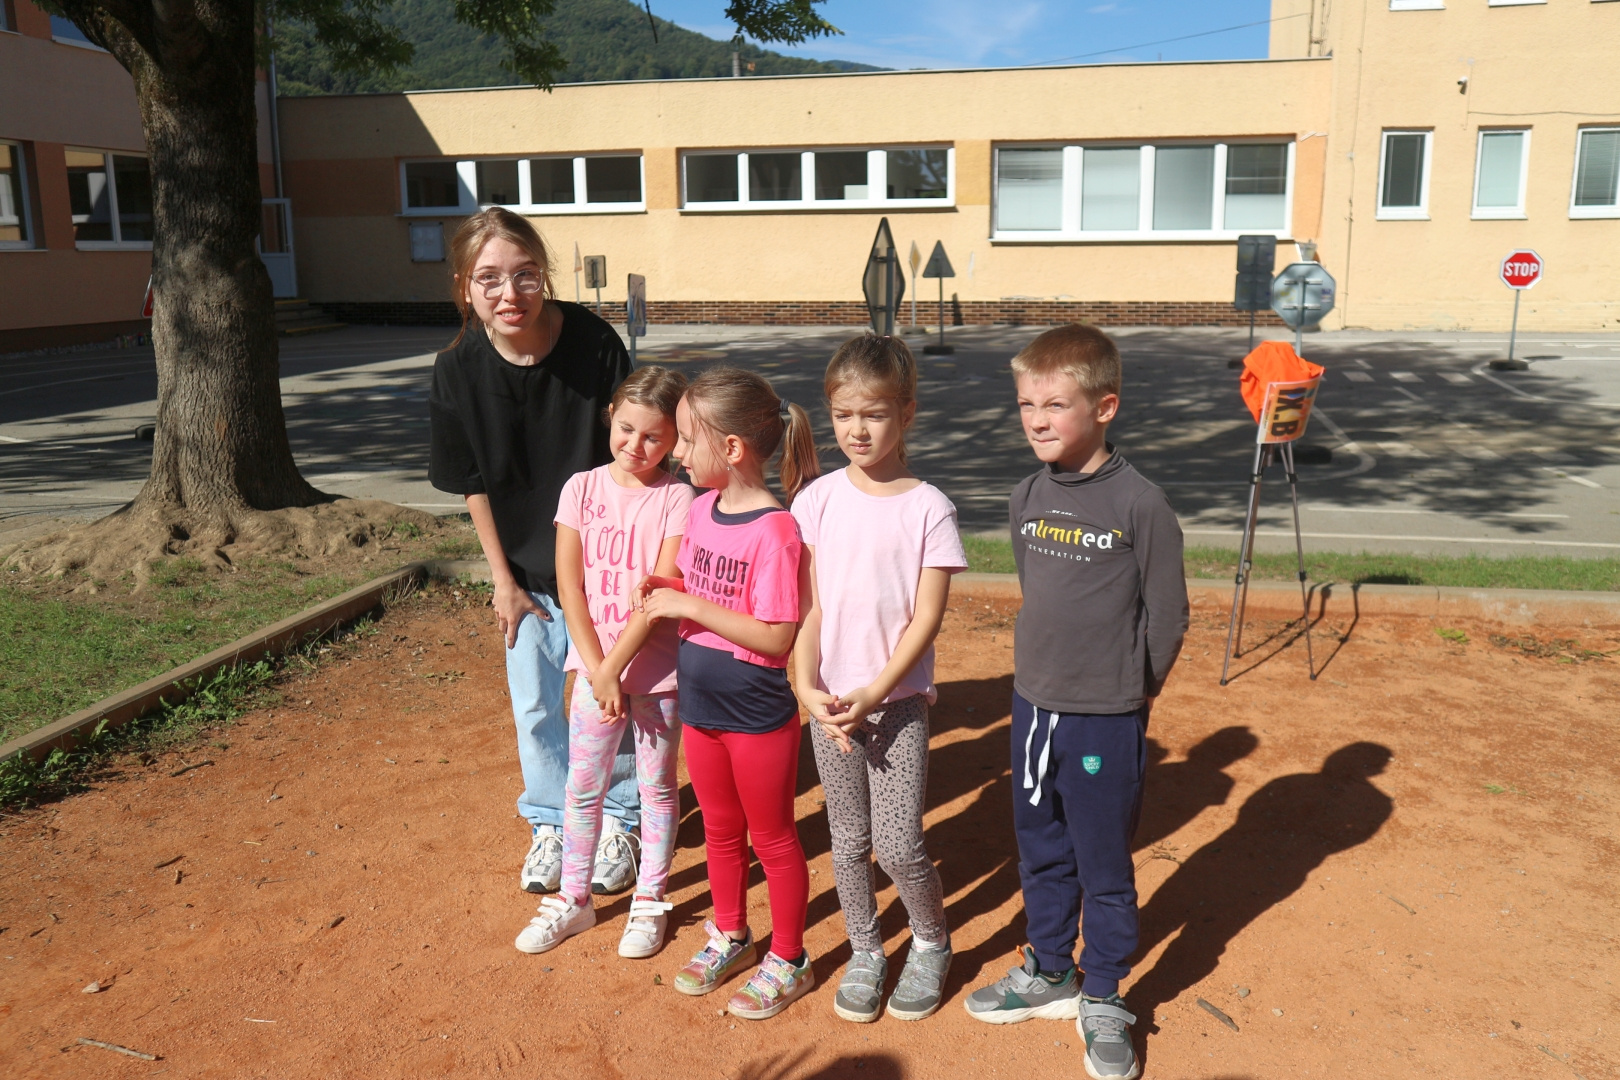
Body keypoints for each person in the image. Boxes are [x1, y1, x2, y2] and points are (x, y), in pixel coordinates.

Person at [964, 325, 1189, 1080]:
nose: (1037, 420)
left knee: (1102, 862)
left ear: (1105, 407)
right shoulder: (1027, 495)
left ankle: (1104, 993)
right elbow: (1036, 588)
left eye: (1055, 404)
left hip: (1106, 718)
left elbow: (1168, 615)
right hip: (1033, 709)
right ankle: (1052, 968)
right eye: (1027, 404)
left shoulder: (1140, 503)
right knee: (1040, 847)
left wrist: (1132, 689)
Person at [428, 208, 643, 899]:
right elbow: (471, 482)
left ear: (544, 274)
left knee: (610, 698)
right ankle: (551, 823)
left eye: (524, 275)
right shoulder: (456, 370)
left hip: (602, 567)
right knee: (537, 708)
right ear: (464, 287)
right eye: (488, 279)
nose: (509, 293)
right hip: (527, 574)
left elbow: (632, 451)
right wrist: (503, 580)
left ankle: (621, 818)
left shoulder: (593, 343)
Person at [634, 367, 819, 1021]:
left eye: (688, 439)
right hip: (701, 705)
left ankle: (790, 958)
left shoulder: (776, 530)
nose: (677, 452)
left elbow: (774, 636)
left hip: (756, 713)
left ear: (733, 447)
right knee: (718, 830)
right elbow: (698, 585)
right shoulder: (699, 510)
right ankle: (731, 936)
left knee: (772, 838)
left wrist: (686, 604)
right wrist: (664, 585)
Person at [791, 334, 966, 1023]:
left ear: (907, 413)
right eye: (843, 415)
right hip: (830, 704)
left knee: (898, 844)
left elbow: (927, 619)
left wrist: (877, 690)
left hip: (895, 707)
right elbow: (810, 607)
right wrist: (806, 686)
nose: (857, 430)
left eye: (874, 414)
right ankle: (866, 949)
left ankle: (931, 941)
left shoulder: (929, 507)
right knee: (847, 840)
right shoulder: (817, 500)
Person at [512, 365, 694, 959]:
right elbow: (570, 587)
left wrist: (612, 669)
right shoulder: (581, 488)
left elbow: (658, 594)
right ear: (609, 418)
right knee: (582, 789)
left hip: (656, 678)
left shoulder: (678, 498)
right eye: (626, 429)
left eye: (654, 437)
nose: (636, 445)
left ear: (674, 440)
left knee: (657, 790)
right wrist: (598, 671)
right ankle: (575, 899)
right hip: (596, 675)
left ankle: (649, 901)